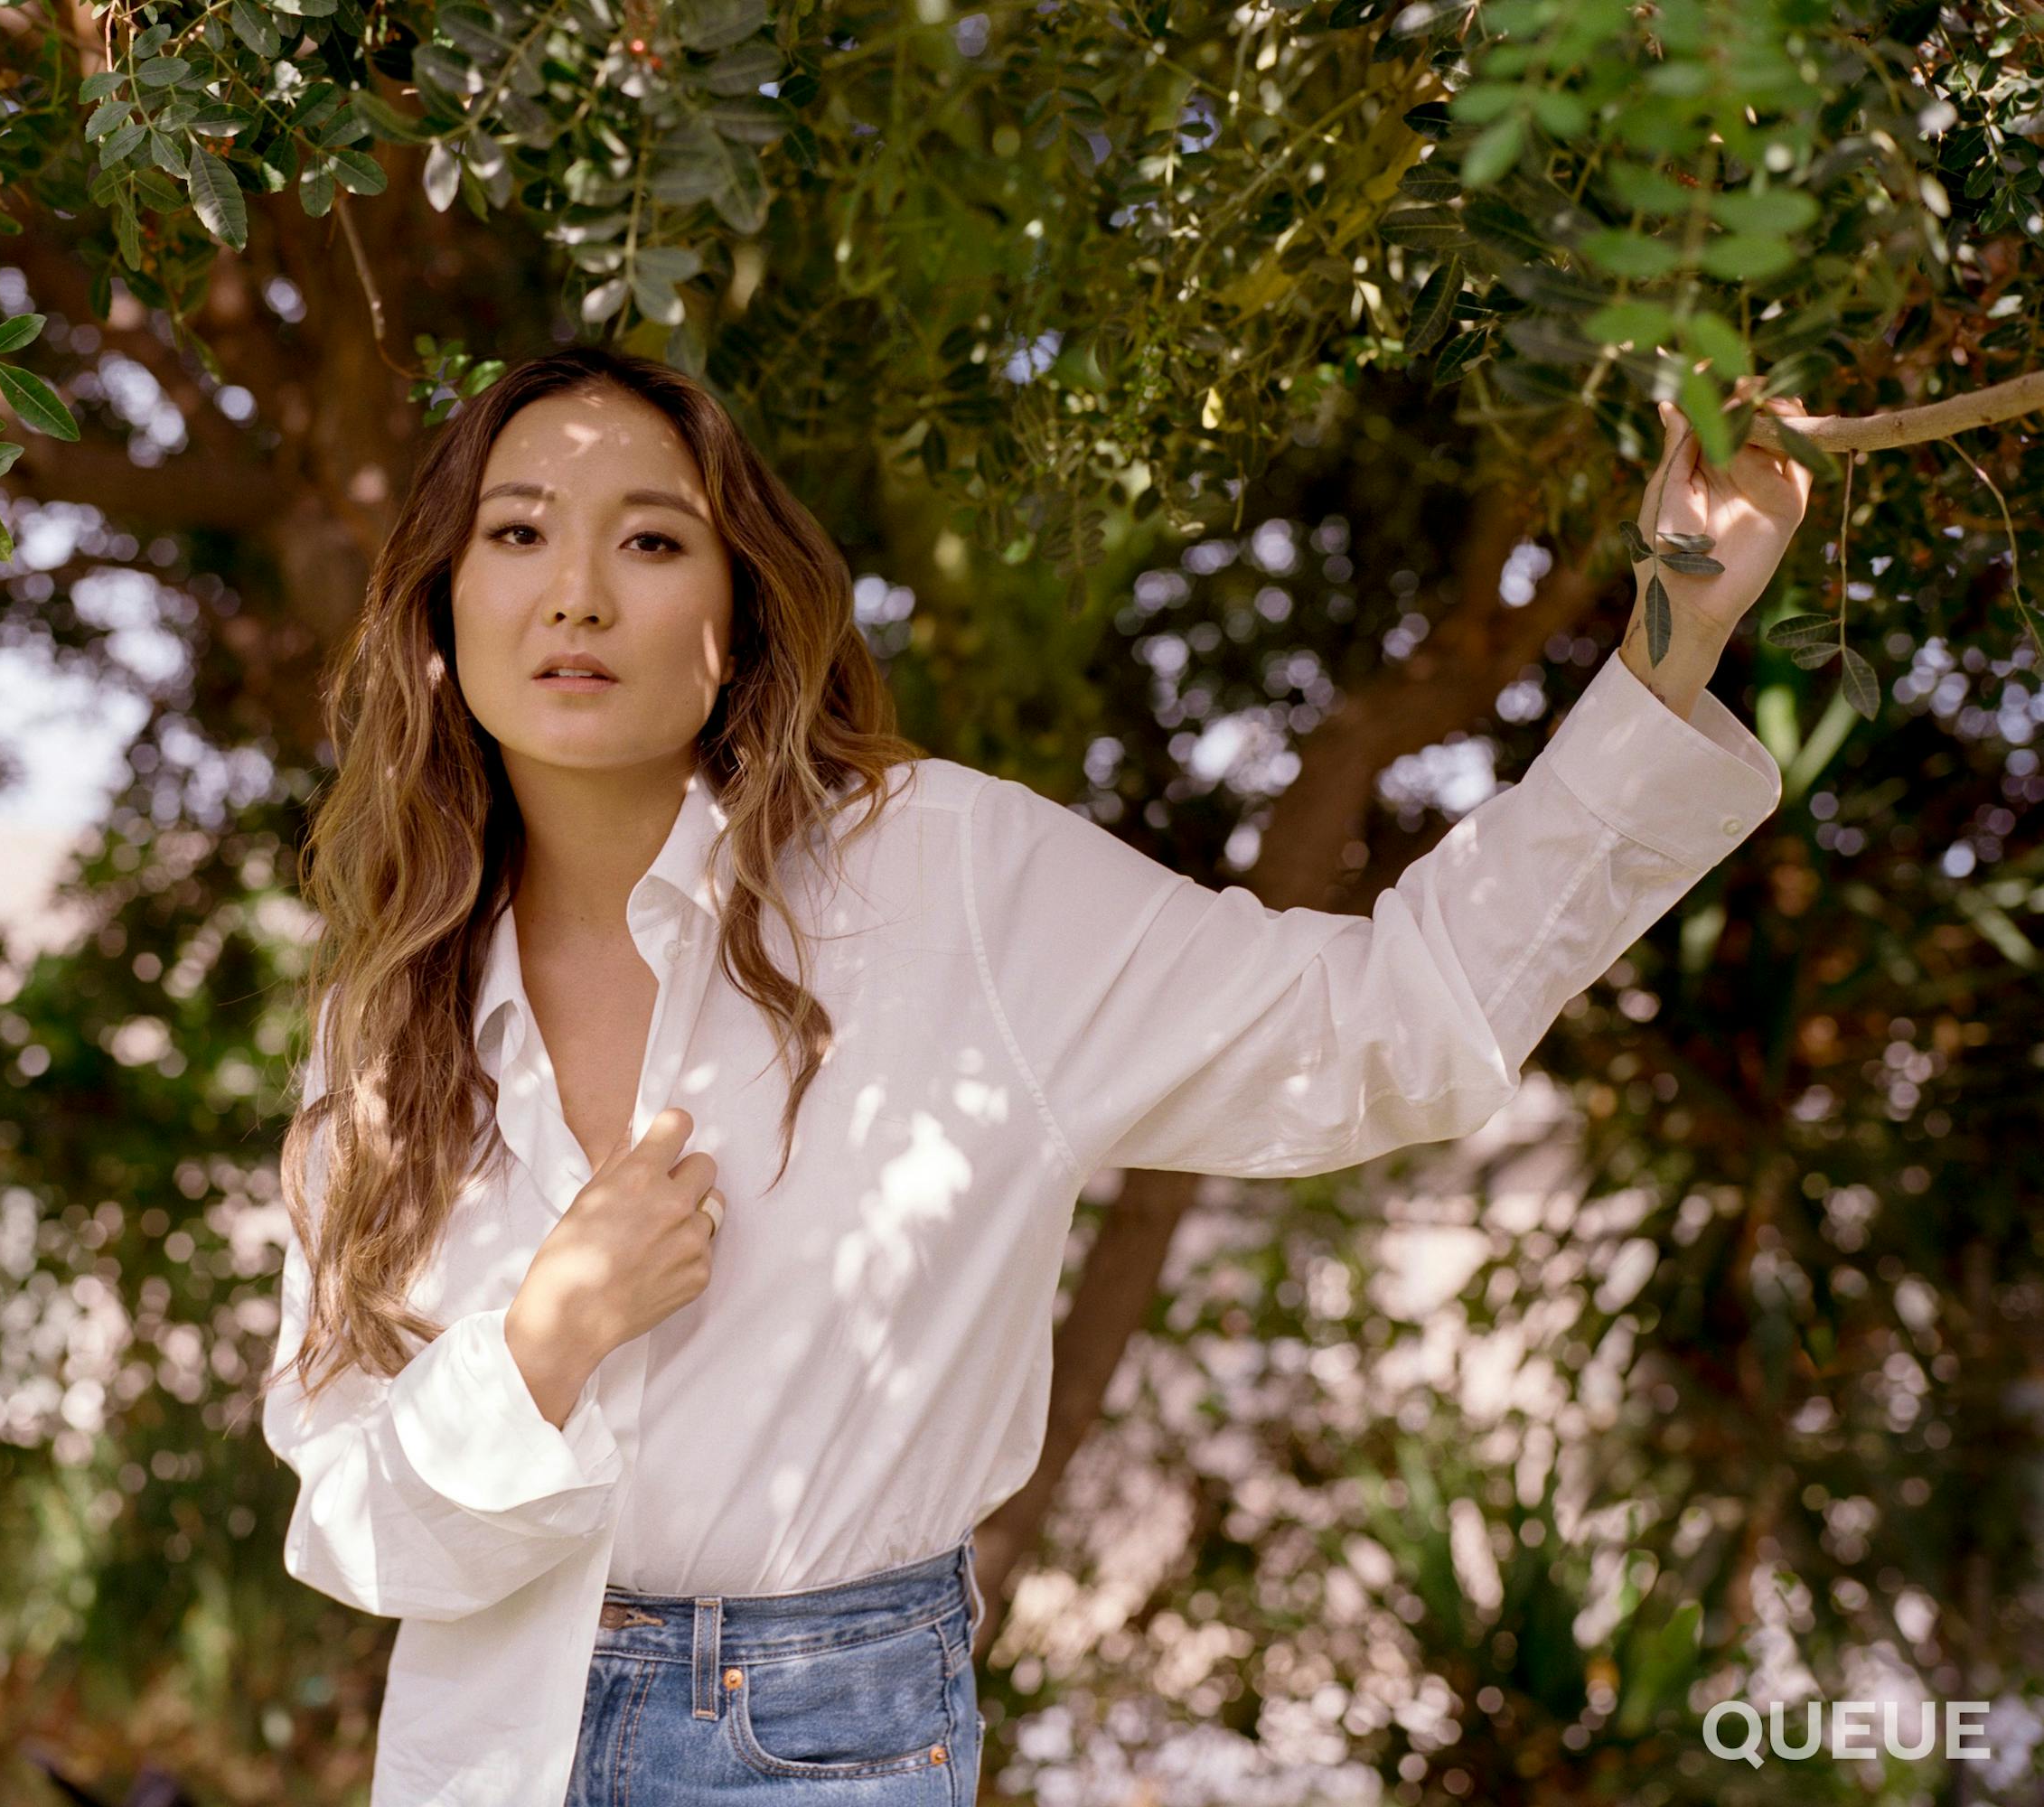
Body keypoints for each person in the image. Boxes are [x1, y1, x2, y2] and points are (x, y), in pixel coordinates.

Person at [256, 345, 1810, 1806]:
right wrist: (543, 1341)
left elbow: (1384, 1027)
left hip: (822, 1744)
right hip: (480, 1743)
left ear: (740, 616)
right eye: (518, 533)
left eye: (653, 543)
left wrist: (1673, 632)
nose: (578, 596)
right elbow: (350, 1523)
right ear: (442, 609)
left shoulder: (943, 880)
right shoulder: (390, 1006)